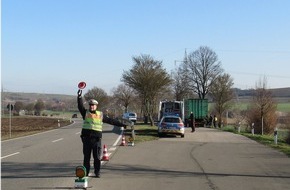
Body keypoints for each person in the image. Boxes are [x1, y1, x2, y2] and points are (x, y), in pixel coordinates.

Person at [77, 89, 127, 178]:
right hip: (87, 139)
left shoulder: (100, 115)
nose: (92, 106)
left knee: (97, 158)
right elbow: (80, 106)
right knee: (86, 158)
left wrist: (122, 124)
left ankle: (97, 172)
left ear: (96, 106)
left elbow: (111, 121)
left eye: (93, 105)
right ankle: (86, 172)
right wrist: (79, 97)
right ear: (89, 106)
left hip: (96, 140)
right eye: (91, 105)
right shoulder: (85, 113)